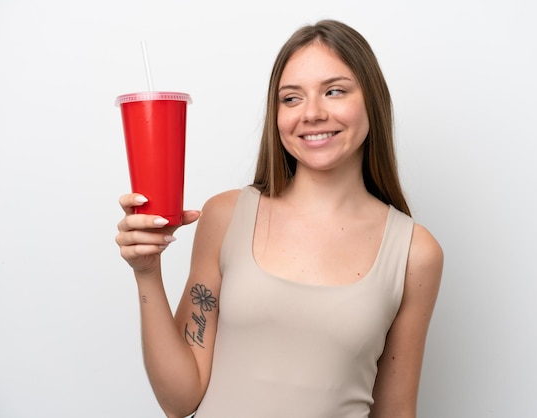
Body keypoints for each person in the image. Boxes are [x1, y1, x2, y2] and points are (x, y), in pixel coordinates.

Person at [116, 19, 443, 418]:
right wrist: (147, 272)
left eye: (334, 91)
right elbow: (178, 401)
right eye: (291, 99)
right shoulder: (225, 216)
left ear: (372, 100)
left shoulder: (414, 253)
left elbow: (395, 410)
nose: (312, 113)